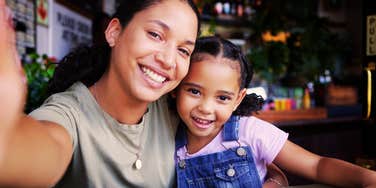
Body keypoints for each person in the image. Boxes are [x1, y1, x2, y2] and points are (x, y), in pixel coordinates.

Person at [0, 0, 200, 187]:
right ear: (114, 32)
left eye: (183, 50)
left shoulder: (176, 109)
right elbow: (40, 151)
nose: (168, 60)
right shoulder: (69, 115)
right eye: (155, 35)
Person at [172, 36, 376, 187]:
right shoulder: (166, 135)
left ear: (238, 99)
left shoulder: (249, 131)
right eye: (194, 91)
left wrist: (368, 180)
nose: (206, 108)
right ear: (176, 88)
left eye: (223, 98)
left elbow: (317, 165)